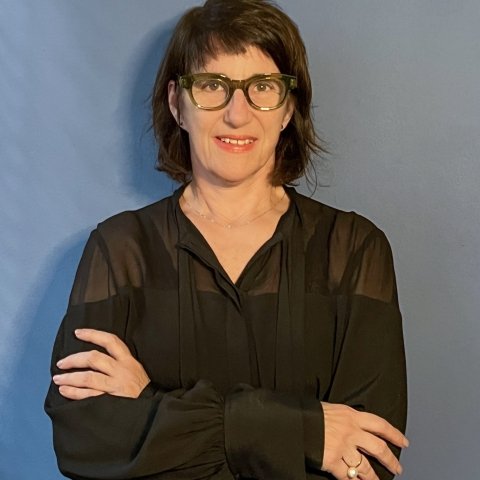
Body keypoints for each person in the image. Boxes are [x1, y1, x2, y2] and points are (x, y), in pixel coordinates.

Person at [45, 1, 408, 479]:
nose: (238, 114)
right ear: (177, 104)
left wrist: (151, 404)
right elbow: (84, 443)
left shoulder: (355, 250)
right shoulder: (119, 249)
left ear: (288, 109)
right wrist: (304, 432)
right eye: (212, 86)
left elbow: (370, 459)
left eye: (263, 88)